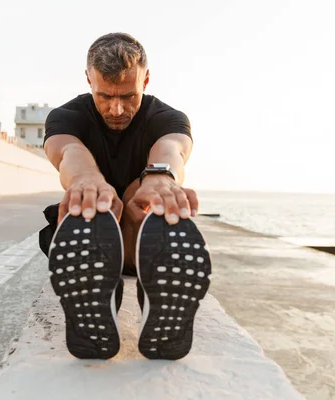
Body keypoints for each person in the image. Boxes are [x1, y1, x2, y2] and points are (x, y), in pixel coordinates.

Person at [39, 32, 211, 360]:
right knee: (90, 207)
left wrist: (161, 179)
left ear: (145, 80)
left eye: (129, 96)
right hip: (92, 237)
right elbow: (67, 151)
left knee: (145, 194)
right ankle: (104, 291)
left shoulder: (168, 117)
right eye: (105, 96)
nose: (117, 108)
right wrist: (87, 180)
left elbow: (173, 147)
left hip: (139, 238)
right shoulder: (65, 116)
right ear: (88, 79)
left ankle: (151, 282)